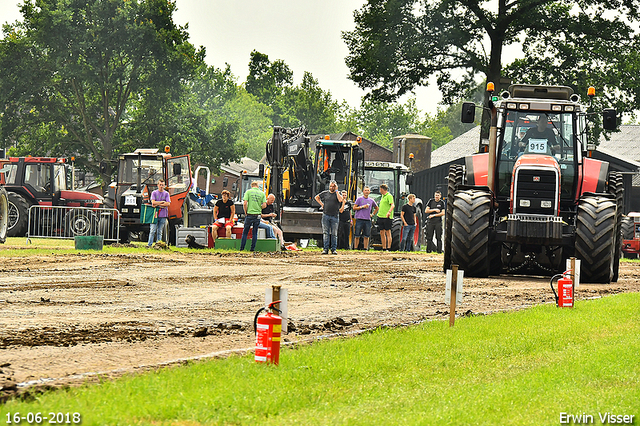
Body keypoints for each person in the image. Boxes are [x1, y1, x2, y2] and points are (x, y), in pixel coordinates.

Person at [314, 180, 343, 255]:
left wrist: (337, 191)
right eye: (331, 186)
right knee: (325, 233)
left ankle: (333, 249)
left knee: (334, 233)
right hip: (326, 215)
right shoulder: (325, 193)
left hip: (335, 216)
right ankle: (325, 249)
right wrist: (322, 204)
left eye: (333, 186)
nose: (332, 187)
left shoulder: (338, 194)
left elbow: (340, 200)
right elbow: (316, 197)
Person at [240, 181, 267, 252]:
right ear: (257, 186)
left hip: (249, 214)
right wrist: (258, 208)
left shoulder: (248, 192)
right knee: (255, 232)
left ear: (251, 186)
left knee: (245, 232)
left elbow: (245, 203)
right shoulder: (262, 193)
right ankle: (252, 249)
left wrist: (246, 211)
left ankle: (242, 248)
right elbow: (264, 205)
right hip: (257, 215)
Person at [353, 186, 379, 250]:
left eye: (368, 190)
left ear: (369, 192)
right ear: (363, 191)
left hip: (367, 220)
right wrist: (362, 207)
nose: (367, 192)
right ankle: (355, 248)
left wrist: (372, 214)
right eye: (365, 190)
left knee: (366, 235)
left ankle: (365, 248)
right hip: (359, 219)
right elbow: (354, 208)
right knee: (357, 235)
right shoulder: (359, 199)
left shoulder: (371, 200)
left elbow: (376, 208)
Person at [148, 179, 171, 247]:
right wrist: (162, 202)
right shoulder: (154, 193)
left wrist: (157, 204)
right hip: (154, 215)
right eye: (160, 185)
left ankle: (158, 244)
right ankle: (149, 244)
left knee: (160, 231)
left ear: (164, 186)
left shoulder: (166, 194)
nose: (161, 186)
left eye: (162, 185)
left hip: (163, 215)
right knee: (152, 230)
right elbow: (153, 202)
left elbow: (168, 204)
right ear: (157, 185)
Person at [376, 183, 395, 251]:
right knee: (382, 232)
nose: (379, 191)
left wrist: (389, 212)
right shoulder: (382, 196)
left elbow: (392, 205)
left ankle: (388, 247)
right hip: (380, 216)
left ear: (382, 189)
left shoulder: (389, 196)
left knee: (388, 232)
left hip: (387, 217)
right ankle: (384, 247)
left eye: (380, 189)